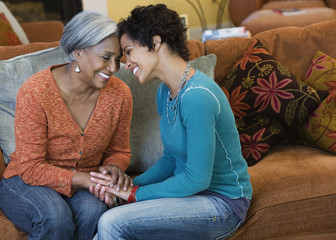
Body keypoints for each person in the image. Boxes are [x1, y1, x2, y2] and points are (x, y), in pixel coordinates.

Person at [90, 4, 253, 240]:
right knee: (107, 220)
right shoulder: (165, 93)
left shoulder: (198, 96)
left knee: (112, 223)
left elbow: (197, 178)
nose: (126, 63)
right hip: (193, 197)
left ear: (155, 42)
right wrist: (125, 186)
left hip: (222, 204)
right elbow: (170, 161)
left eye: (128, 51)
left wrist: (134, 194)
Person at [0, 10, 133, 240]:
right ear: (78, 52)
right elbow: (30, 168)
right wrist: (86, 179)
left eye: (117, 59)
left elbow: (119, 151)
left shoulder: (120, 95)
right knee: (54, 215)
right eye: (106, 57)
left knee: (95, 212)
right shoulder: (36, 92)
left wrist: (113, 167)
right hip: (25, 181)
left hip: (81, 183)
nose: (113, 68)